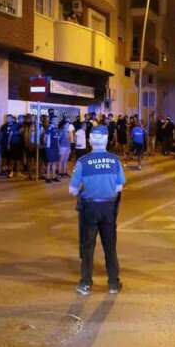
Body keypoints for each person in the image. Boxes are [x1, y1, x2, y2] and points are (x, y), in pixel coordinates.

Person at [69, 125, 126, 295]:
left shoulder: (83, 161)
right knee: (110, 246)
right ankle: (113, 283)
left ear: (90, 140)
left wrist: (84, 189)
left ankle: (86, 283)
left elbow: (72, 189)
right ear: (107, 140)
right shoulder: (115, 160)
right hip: (109, 207)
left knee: (87, 246)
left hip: (89, 207)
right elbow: (119, 186)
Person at [44, 116, 61, 183]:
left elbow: (57, 139)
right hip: (50, 148)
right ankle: (47, 178)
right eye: (56, 120)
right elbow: (45, 137)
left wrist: (58, 147)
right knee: (50, 163)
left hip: (55, 147)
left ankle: (54, 176)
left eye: (57, 119)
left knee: (54, 162)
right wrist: (47, 146)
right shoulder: (49, 127)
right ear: (52, 120)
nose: (57, 121)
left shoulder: (56, 128)